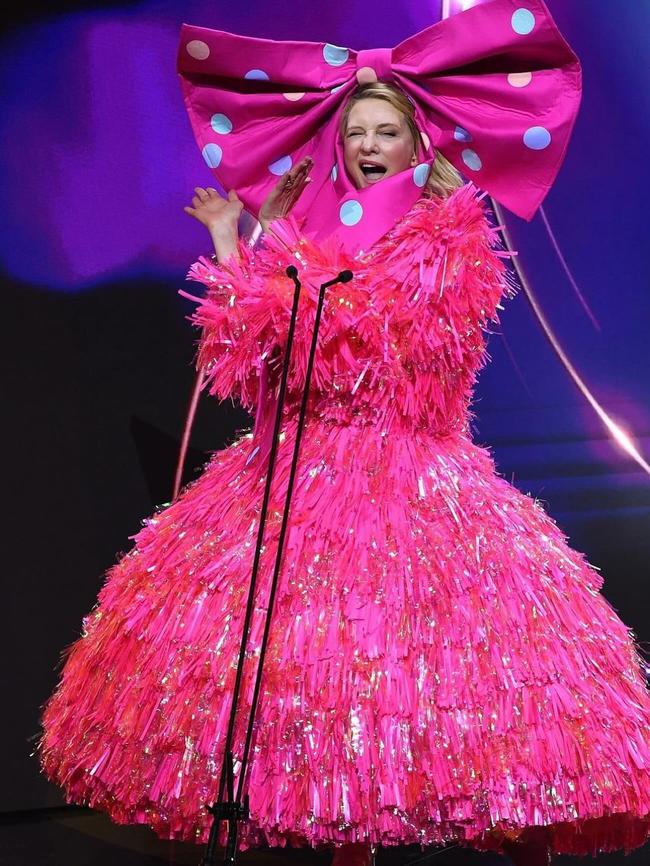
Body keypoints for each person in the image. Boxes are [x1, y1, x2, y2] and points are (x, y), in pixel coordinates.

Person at [38, 7, 650, 866]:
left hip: (412, 482)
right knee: (320, 692)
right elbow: (249, 365)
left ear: (415, 142)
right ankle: (345, 850)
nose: (368, 143)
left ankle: (527, 841)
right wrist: (236, 240)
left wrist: (290, 286)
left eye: (386, 130)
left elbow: (388, 346)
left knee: (465, 690)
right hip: (290, 484)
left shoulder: (453, 237)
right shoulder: (309, 239)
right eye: (356, 129)